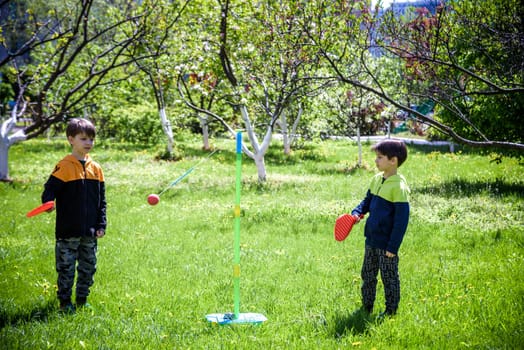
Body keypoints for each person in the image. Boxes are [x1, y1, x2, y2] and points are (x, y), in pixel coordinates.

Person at [41, 118, 107, 313]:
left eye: (92, 139)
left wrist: (101, 224)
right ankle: (64, 302)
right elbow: (49, 190)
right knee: (66, 268)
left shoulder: (96, 168)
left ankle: (81, 299)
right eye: (84, 138)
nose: (89, 143)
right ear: (71, 139)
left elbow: (101, 201)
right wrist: (48, 203)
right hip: (68, 230)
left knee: (88, 267)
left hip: (90, 231)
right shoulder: (64, 166)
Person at [351, 139, 410, 317]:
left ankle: (391, 311)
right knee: (367, 275)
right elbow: (367, 201)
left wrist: (393, 247)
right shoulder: (376, 179)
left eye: (379, 157)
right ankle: (366, 307)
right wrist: (357, 212)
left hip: (386, 245)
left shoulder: (399, 187)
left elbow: (401, 221)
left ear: (393, 161)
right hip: (371, 238)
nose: (376, 161)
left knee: (389, 278)